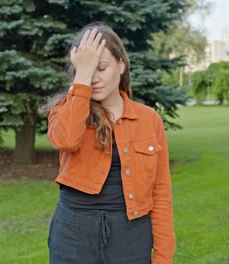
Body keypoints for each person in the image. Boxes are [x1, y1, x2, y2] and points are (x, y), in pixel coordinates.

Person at [44, 22, 175, 264]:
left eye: (101, 67)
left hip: (132, 236)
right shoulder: (67, 111)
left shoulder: (149, 120)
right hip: (74, 234)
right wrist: (81, 79)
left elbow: (161, 192)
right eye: (86, 70)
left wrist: (164, 256)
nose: (93, 78)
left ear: (121, 65)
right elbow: (67, 139)